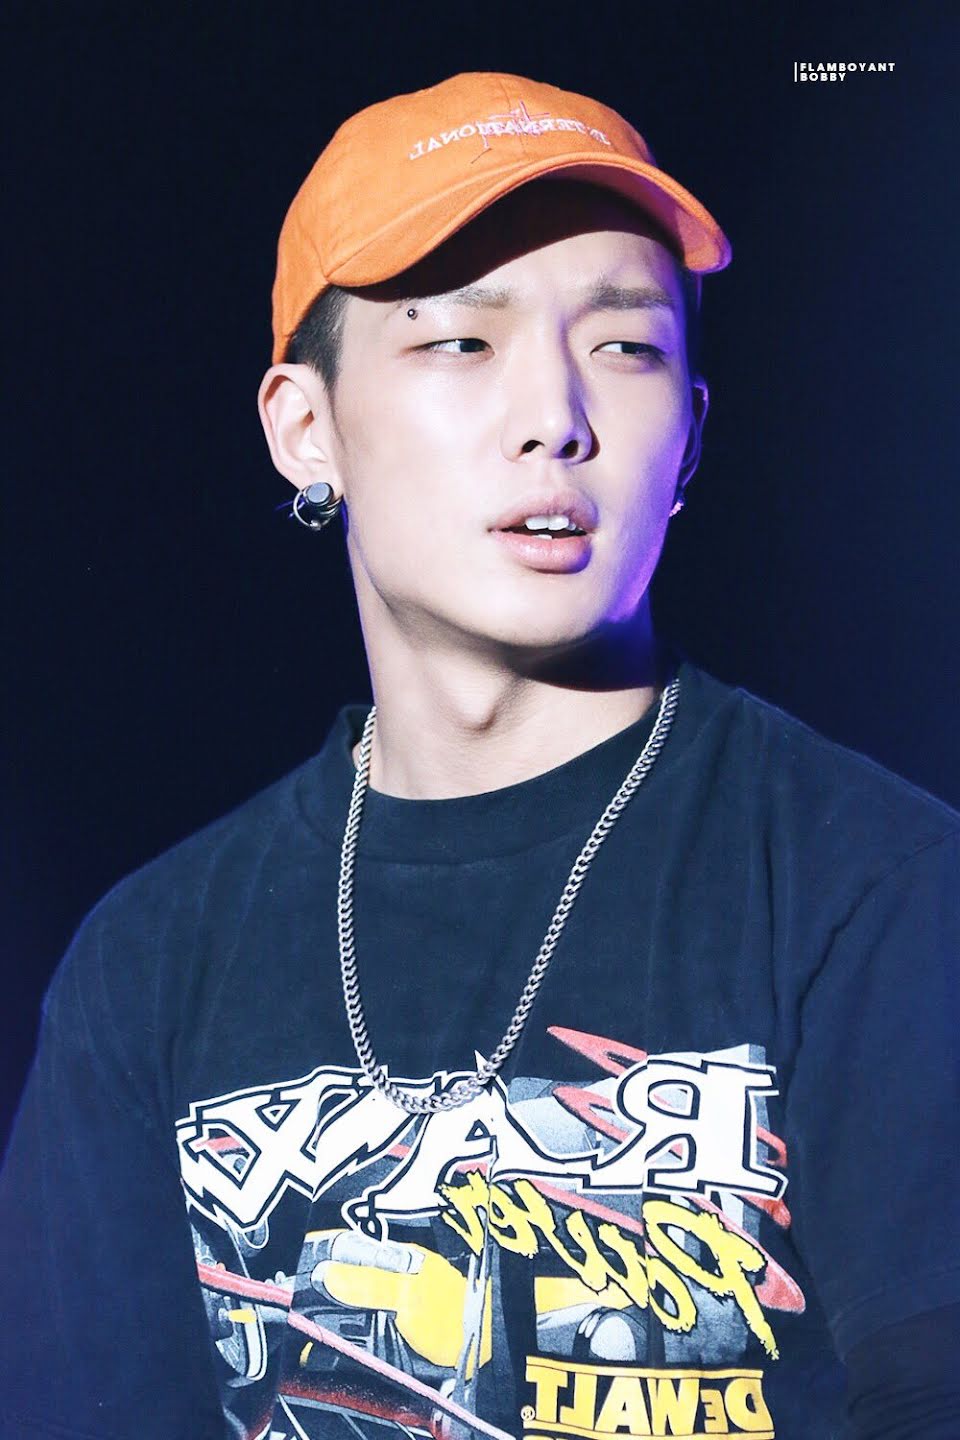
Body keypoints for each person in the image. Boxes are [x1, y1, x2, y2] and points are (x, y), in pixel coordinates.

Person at [1, 70, 958, 1440]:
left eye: (624, 346)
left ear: (691, 429)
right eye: (461, 340)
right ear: (307, 429)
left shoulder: (882, 889)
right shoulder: (148, 967)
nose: (555, 416)